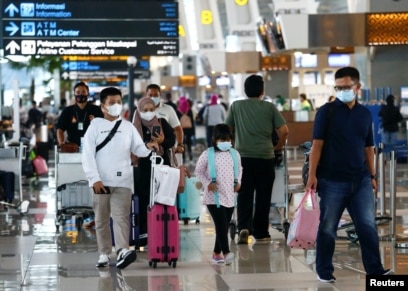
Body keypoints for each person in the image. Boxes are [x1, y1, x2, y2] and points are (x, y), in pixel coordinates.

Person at [305, 66, 391, 283]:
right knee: (327, 227)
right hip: (332, 180)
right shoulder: (327, 112)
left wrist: (373, 176)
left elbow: (368, 148)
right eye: (338, 87)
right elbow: (316, 146)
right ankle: (324, 270)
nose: (342, 90)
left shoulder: (364, 114)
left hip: (360, 179)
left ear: (357, 87)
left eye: (346, 87)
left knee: (367, 226)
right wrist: (311, 176)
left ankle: (375, 271)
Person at [82, 87, 158, 269]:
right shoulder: (95, 127)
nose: (116, 105)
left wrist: (149, 147)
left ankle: (123, 250)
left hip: (123, 180)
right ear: (103, 106)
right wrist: (94, 179)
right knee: (101, 220)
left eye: (118, 102)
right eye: (111, 102)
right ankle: (104, 253)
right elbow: (87, 155)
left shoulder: (127, 127)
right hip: (101, 181)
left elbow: (138, 149)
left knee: (121, 218)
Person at [224, 74, 289, 244]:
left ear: (245, 90)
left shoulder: (236, 106)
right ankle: (261, 232)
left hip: (242, 158)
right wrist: (278, 147)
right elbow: (284, 131)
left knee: (244, 194)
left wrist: (232, 145)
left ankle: (244, 227)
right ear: (262, 90)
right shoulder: (269, 108)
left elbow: (226, 129)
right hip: (265, 157)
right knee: (263, 195)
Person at [194, 124, 242, 265]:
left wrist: (238, 181)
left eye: (227, 139)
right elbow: (198, 171)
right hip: (213, 197)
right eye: (221, 140)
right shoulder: (207, 154)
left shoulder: (235, 154)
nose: (224, 142)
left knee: (224, 226)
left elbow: (239, 169)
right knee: (221, 225)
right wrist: (207, 183)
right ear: (214, 140)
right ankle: (226, 253)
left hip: (229, 196)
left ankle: (216, 253)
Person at [132, 97, 176, 247]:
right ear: (139, 110)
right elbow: (131, 145)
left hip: (161, 167)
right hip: (142, 168)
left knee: (161, 198)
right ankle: (144, 233)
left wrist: (163, 141)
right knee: (143, 199)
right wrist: (146, 145)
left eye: (151, 109)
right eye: (145, 110)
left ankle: (160, 230)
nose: (149, 113)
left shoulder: (162, 123)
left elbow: (171, 141)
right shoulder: (134, 127)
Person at [135, 84, 184, 155]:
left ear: (160, 95)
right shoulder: (138, 111)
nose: (153, 97)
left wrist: (180, 145)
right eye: (150, 95)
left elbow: (178, 128)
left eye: (155, 95)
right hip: (144, 151)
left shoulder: (168, 109)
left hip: (164, 149)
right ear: (146, 95)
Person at [56, 81, 104, 147]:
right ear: (74, 94)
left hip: (93, 147)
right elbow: (60, 129)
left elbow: (102, 128)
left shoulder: (96, 110)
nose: (80, 94)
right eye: (78, 92)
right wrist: (62, 144)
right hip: (72, 148)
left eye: (83, 92)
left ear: (88, 94)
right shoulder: (67, 111)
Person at [177, 96, 195, 162]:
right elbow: (192, 121)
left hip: (181, 129)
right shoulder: (189, 110)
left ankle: (183, 156)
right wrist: (193, 131)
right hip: (189, 129)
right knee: (189, 141)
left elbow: (177, 121)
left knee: (182, 142)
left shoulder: (178, 110)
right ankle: (190, 153)